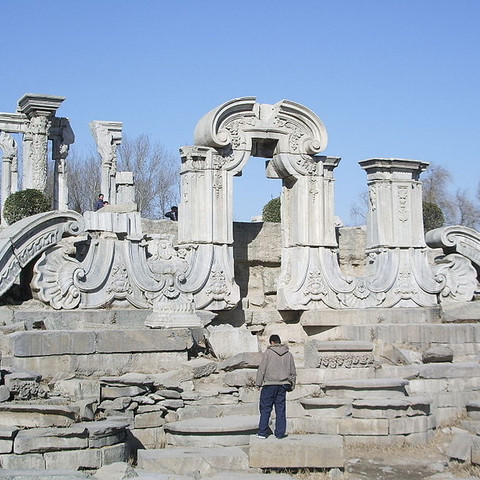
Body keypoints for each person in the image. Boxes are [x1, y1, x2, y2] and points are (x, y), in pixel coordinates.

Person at [255, 334, 296, 439]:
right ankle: (280, 433)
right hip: (283, 385)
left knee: (265, 408)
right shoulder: (289, 354)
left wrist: (258, 383)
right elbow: (293, 372)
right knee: (280, 409)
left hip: (269, 384)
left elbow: (262, 369)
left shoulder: (268, 353)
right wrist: (292, 385)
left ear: (272, 342)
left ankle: (262, 432)